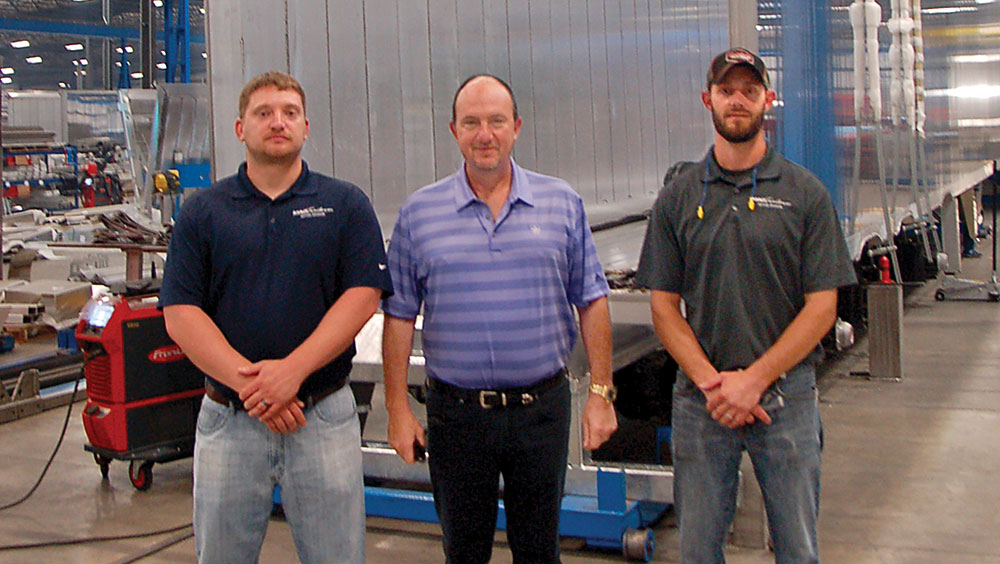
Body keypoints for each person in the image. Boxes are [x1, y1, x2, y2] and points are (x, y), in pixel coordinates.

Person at [381, 74, 618, 563]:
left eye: (496, 121)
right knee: (464, 552)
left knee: (539, 551)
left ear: (517, 127)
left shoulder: (561, 203)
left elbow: (592, 300)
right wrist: (397, 409)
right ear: (453, 131)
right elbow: (399, 316)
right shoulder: (419, 214)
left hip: (541, 412)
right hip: (456, 417)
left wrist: (601, 393)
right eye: (471, 123)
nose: (484, 134)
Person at [159, 71, 393, 564]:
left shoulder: (344, 204)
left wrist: (292, 373)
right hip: (229, 419)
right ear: (240, 128)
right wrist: (258, 388)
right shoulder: (203, 212)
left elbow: (362, 297)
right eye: (263, 113)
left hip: (321, 417)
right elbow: (181, 314)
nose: (277, 122)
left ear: (306, 126)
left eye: (289, 113)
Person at [635, 48, 857, 564]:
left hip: (786, 399)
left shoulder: (805, 194)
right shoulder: (678, 197)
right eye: (727, 90)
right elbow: (664, 307)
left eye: (750, 91)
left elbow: (822, 307)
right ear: (707, 99)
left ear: (768, 100)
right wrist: (715, 386)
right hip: (702, 402)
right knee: (697, 552)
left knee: (798, 549)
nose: (738, 100)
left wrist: (754, 380)